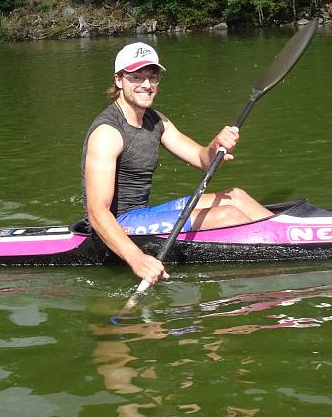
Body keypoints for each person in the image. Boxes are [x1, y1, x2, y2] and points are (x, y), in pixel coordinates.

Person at [81, 42, 273, 286]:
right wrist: (137, 259)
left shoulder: (156, 120)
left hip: (141, 214)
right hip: (118, 224)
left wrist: (216, 145)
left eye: (152, 77)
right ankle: (298, 246)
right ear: (119, 80)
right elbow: (97, 212)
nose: (147, 85)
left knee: (236, 196)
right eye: (136, 77)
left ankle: (300, 236)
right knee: (228, 214)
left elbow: (203, 159)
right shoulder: (108, 133)